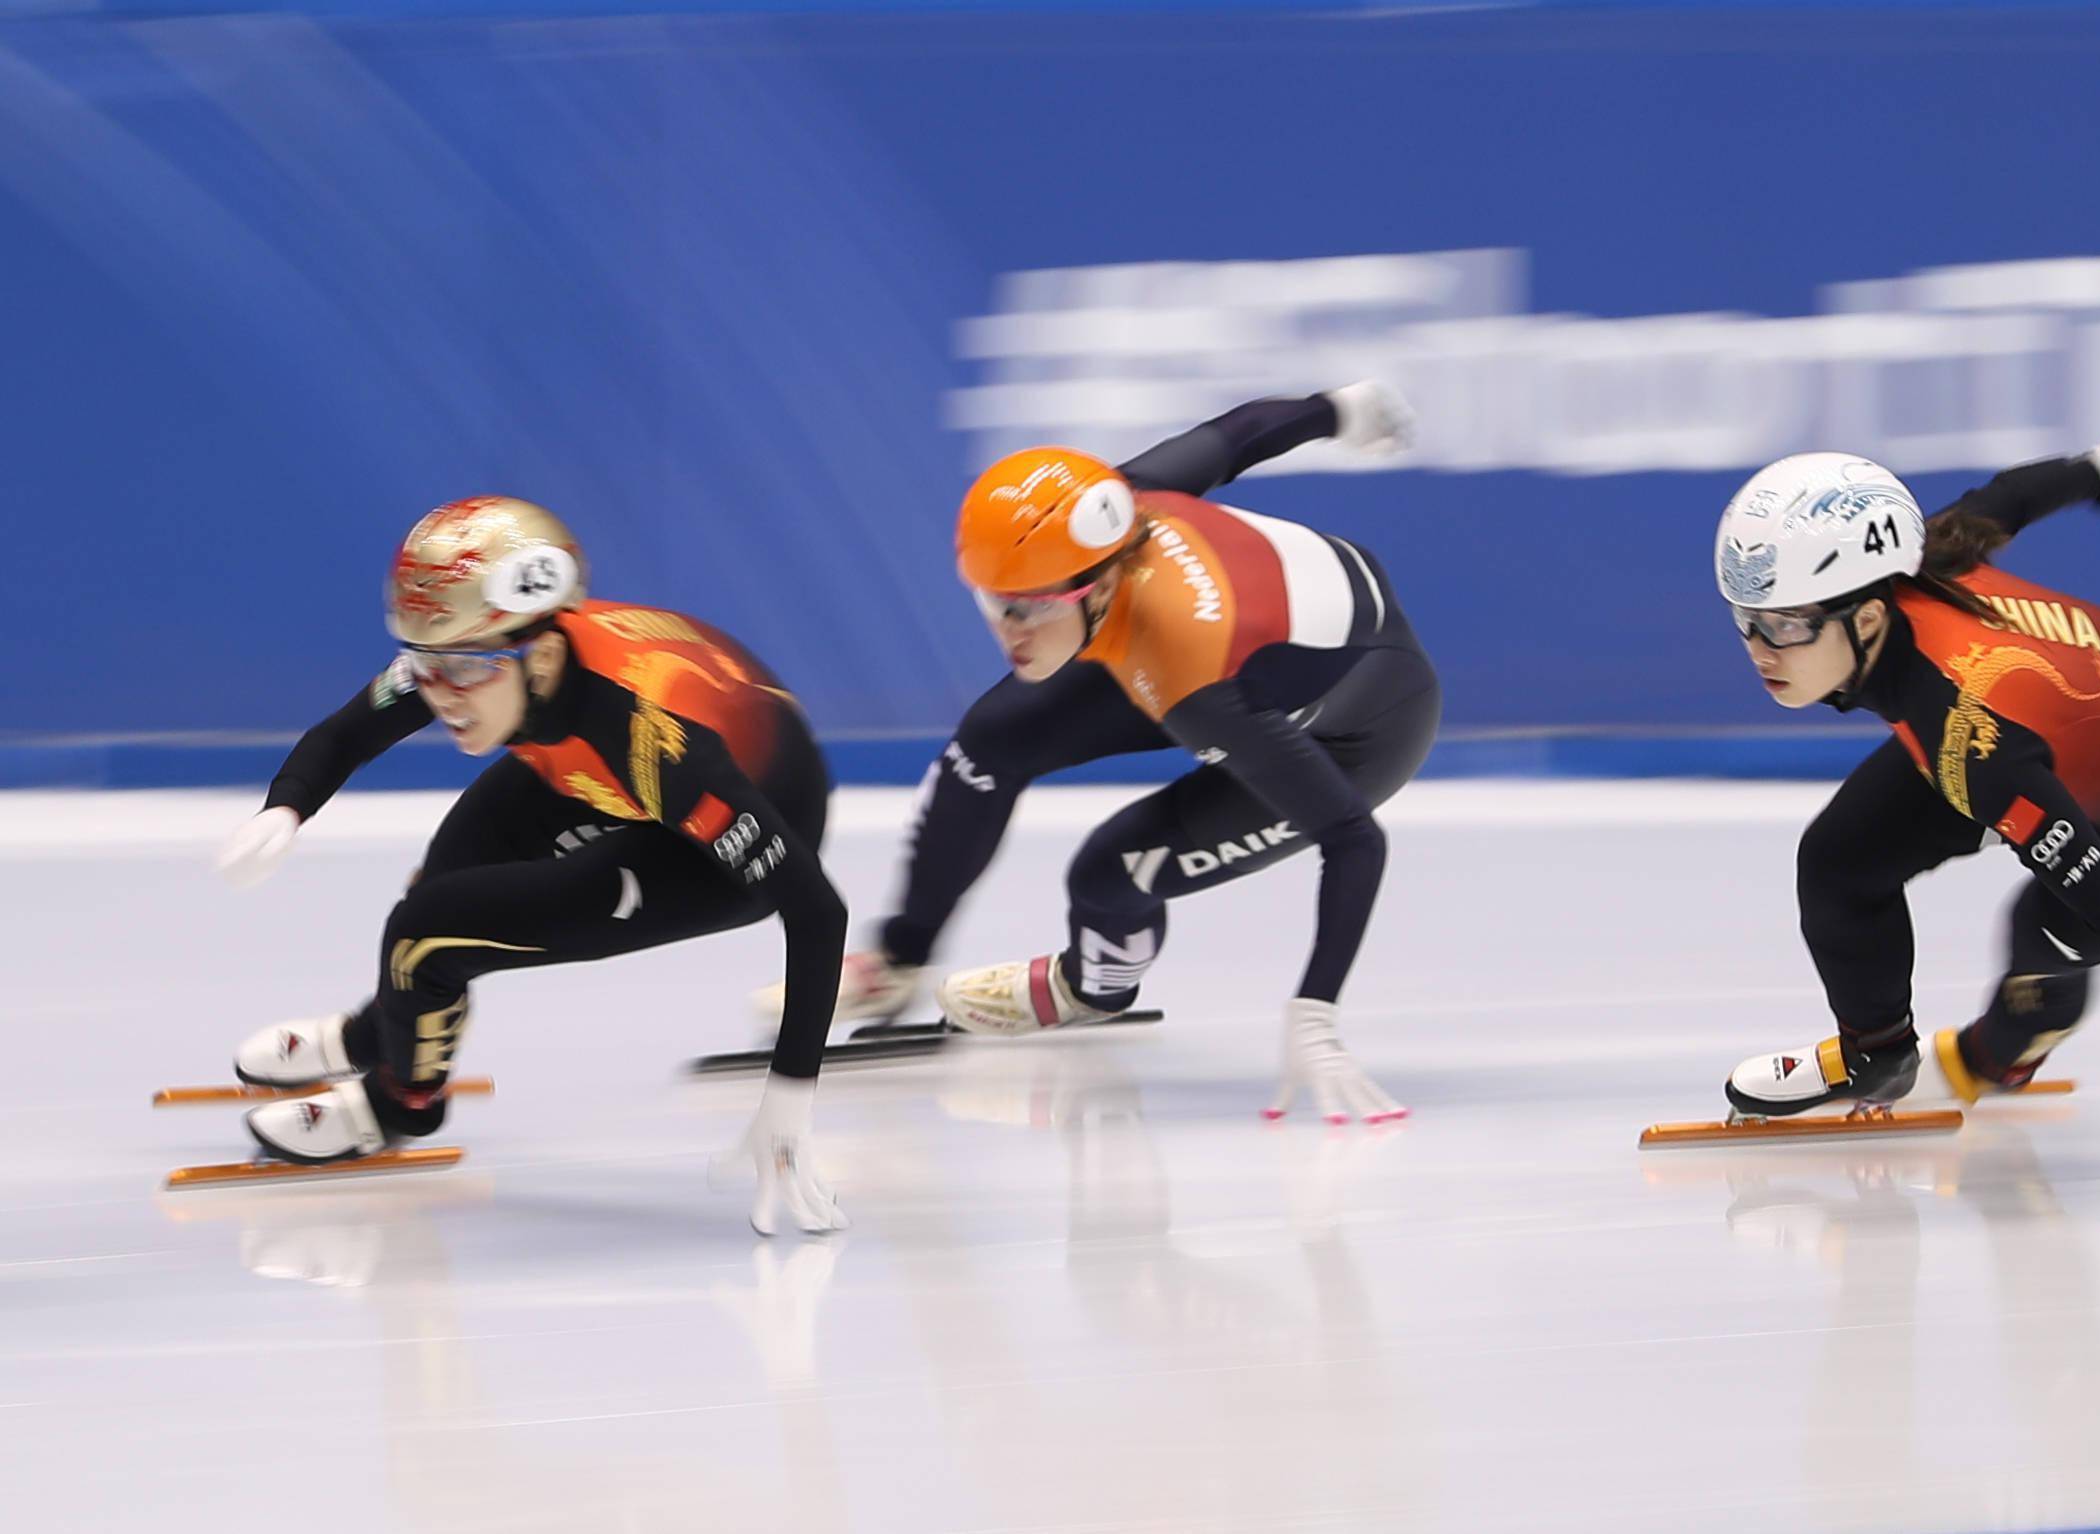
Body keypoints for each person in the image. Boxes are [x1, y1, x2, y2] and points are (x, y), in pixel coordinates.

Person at [770, 382, 1436, 1123]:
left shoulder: (1193, 681)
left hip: (1357, 729)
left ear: (1094, 585)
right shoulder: (1120, 500)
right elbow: (1241, 430)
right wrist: (1341, 408)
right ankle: (899, 957)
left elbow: (1351, 838)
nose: (1006, 630)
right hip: (1222, 646)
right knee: (990, 740)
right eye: (992, 603)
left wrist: (1316, 1009)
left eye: (1025, 608)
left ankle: (1091, 988)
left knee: (1108, 872)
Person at [1712, 406, 2100, 1218]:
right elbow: (2006, 498)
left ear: (1868, 615)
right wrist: (2099, 468)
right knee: (1840, 859)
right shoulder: (1917, 559)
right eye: (1744, 622)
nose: (1759, 651)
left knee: (2044, 930)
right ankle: (1877, 1057)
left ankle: (1991, 1056)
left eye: (1783, 626)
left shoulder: (1970, 741)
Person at [213, 496, 850, 1234]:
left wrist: (789, 1099)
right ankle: (375, 1034)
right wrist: (284, 808)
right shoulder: (481, 648)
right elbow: (346, 734)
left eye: (461, 669)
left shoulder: (646, 734)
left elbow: (816, 911)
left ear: (542, 656)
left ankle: (398, 1103)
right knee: (442, 883)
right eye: (424, 664)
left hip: (724, 833)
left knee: (427, 936)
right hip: (599, 769)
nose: (441, 696)